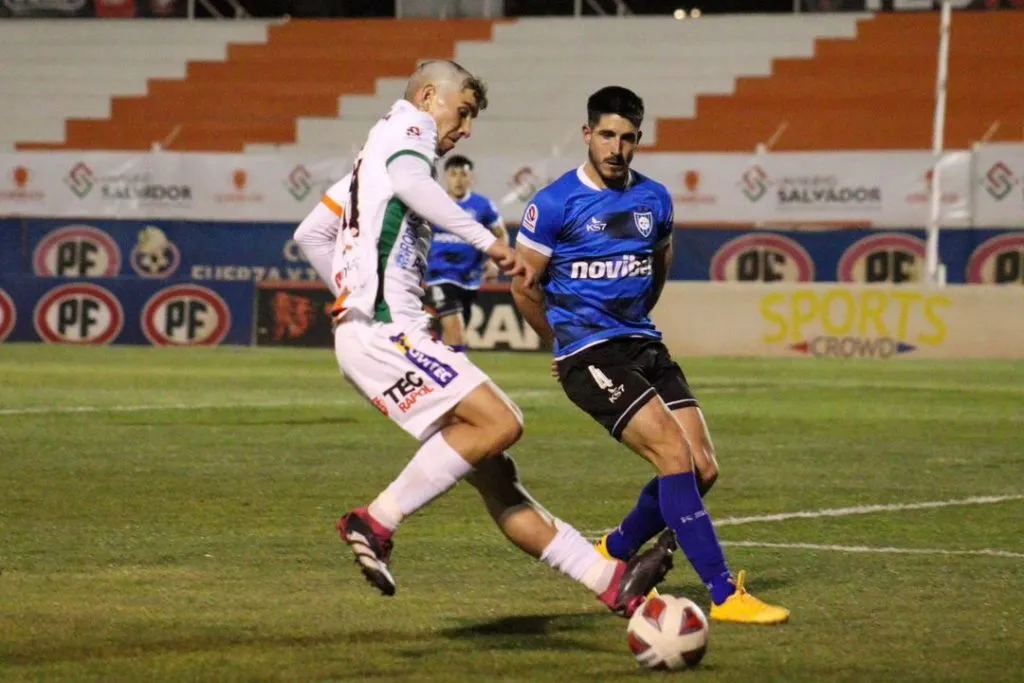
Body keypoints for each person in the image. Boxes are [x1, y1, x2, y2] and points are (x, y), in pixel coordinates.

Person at [292, 62, 672, 617]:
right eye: (463, 112)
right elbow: (413, 184)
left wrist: (351, 292)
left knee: (497, 476)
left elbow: (312, 233)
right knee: (501, 422)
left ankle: (609, 581)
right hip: (384, 330)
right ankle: (374, 521)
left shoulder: (367, 159)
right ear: (428, 97)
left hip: (374, 329)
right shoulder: (409, 128)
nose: (465, 128)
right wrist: (488, 244)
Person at [510, 85, 790, 625]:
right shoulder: (553, 204)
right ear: (587, 134)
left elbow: (657, 266)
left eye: (628, 138)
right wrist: (562, 339)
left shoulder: (655, 198)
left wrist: (636, 321)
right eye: (607, 135)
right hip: (589, 351)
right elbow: (524, 287)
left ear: (639, 140)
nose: (617, 147)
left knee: (703, 467)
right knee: (674, 456)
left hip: (643, 342)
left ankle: (613, 550)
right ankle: (724, 594)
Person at [423, 154, 507, 351]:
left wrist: (494, 261)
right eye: (453, 174)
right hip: (439, 275)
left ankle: (444, 366)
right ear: (445, 177)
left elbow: (501, 235)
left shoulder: (483, 206)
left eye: (463, 174)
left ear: (471, 178)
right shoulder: (434, 202)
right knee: (455, 327)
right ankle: (458, 374)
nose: (458, 180)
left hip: (469, 278)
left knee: (455, 332)